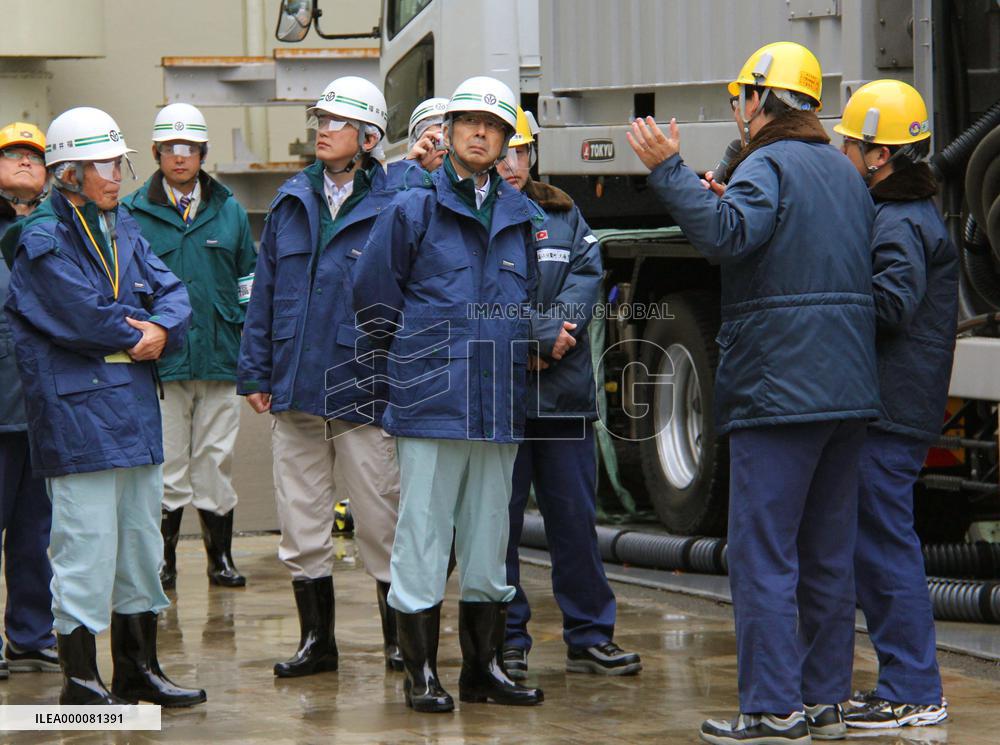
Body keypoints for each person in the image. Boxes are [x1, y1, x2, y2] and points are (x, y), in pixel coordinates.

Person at [626, 42, 877, 744]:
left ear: (762, 101)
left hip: (781, 390)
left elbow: (729, 238)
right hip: (845, 390)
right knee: (827, 552)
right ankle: (825, 700)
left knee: (765, 554)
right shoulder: (842, 171)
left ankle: (771, 708)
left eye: (740, 97)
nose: (736, 110)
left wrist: (668, 172)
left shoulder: (767, 164)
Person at [354, 76, 579, 713]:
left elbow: (524, 301)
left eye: (494, 127)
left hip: (498, 403)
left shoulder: (521, 217)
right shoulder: (413, 207)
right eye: (470, 123)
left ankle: (482, 670)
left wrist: (534, 335)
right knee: (421, 539)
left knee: (487, 542)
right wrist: (411, 364)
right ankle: (421, 673)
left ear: (508, 140)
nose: (482, 134)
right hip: (431, 401)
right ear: (449, 131)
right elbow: (373, 296)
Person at [3, 106, 203, 707]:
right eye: (104, 164)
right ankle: (81, 679)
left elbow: (174, 292)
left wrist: (160, 331)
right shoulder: (41, 237)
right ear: (68, 173)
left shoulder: (125, 227)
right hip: (77, 417)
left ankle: (139, 668)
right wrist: (135, 333)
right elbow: (78, 313)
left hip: (134, 412)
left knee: (140, 544)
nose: (118, 174)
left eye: (118, 162)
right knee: (85, 547)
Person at [237, 76, 405, 677]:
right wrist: (256, 370)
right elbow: (266, 297)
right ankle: (318, 642)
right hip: (296, 388)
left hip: (363, 388)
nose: (323, 130)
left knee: (380, 517)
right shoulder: (291, 201)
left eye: (336, 122)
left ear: (368, 137)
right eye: (321, 120)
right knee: (302, 521)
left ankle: (397, 640)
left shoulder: (397, 203)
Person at [497, 109, 642, 679]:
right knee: (497, 527)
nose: (511, 163)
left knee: (574, 524)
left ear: (532, 156)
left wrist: (558, 336)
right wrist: (533, 337)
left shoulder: (563, 214)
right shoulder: (469, 215)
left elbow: (587, 276)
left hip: (562, 399)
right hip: (501, 399)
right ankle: (507, 638)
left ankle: (589, 635)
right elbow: (479, 293)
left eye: (520, 153)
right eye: (503, 152)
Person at [834, 79, 955, 730]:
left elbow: (890, 304)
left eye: (851, 146)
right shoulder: (906, 213)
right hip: (897, 405)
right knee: (878, 543)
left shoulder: (900, 219)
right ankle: (905, 679)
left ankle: (912, 687)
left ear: (878, 156)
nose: (845, 157)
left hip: (890, 409)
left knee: (883, 545)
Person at [122, 103, 256, 591]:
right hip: (164, 361)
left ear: (203, 153)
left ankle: (220, 557)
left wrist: (249, 339)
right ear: (156, 152)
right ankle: (164, 561)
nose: (181, 158)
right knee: (168, 462)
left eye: (190, 149)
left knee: (216, 460)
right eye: (171, 149)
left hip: (221, 355)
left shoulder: (230, 210)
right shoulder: (133, 212)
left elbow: (249, 279)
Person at [0, 121, 57, 679]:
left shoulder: (57, 227)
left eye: (32, 157)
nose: (22, 163)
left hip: (41, 409)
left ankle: (30, 635)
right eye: (11, 155)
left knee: (35, 533)